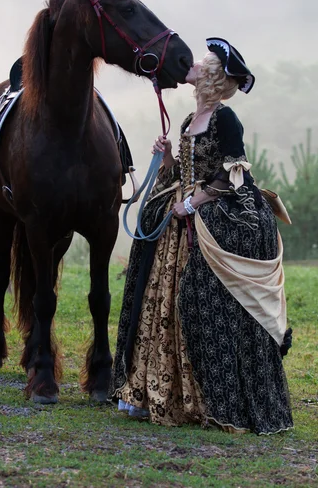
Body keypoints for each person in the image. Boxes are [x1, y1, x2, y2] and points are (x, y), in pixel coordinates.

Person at [111, 37, 293, 435]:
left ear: (212, 77)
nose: (192, 65)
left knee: (197, 299)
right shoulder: (187, 120)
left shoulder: (226, 120)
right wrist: (168, 156)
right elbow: (179, 178)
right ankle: (157, 391)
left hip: (211, 216)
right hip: (180, 217)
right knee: (159, 301)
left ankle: (207, 397)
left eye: (201, 64)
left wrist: (192, 205)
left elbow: (232, 173)